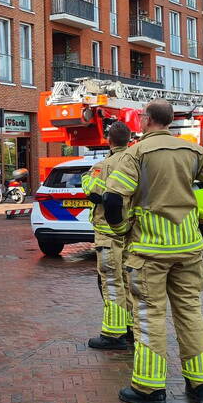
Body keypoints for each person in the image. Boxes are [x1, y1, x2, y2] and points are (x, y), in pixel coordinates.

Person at [105, 100, 203, 403]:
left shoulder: (136, 154)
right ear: (169, 120)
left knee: (149, 316)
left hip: (149, 251)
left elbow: (112, 199)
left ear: (147, 120)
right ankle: (201, 385)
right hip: (189, 247)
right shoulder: (193, 151)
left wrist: (122, 229)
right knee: (190, 312)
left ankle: (150, 389)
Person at [81, 121, 134, 350]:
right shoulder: (136, 162)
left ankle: (113, 334)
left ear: (108, 140)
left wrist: (86, 177)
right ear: (129, 140)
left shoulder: (105, 165)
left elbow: (93, 191)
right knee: (129, 281)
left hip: (108, 232)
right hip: (131, 232)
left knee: (111, 282)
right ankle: (131, 328)